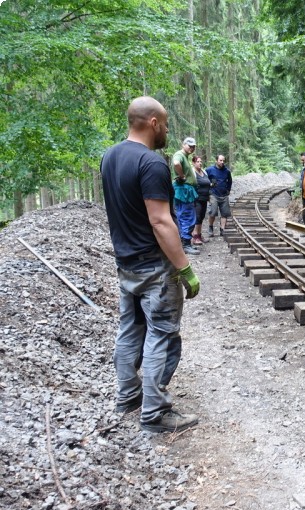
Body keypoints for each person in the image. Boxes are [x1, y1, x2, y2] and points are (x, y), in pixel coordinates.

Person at [100, 96, 200, 433]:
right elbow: (161, 222)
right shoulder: (152, 164)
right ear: (153, 122)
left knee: (130, 330)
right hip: (154, 267)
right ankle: (155, 413)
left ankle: (128, 396)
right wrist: (184, 269)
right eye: (166, 124)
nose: (168, 130)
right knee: (162, 335)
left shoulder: (109, 157)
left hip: (125, 262)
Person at [172, 137, 199, 255]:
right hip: (183, 191)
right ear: (183, 145)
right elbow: (176, 163)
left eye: (193, 146)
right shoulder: (179, 154)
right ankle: (185, 244)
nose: (192, 148)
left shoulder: (186, 157)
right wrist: (182, 175)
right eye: (190, 145)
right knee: (186, 216)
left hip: (186, 191)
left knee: (186, 215)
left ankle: (184, 243)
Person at [206, 154, 232, 236]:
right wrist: (208, 190)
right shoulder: (209, 170)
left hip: (224, 195)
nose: (222, 162)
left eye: (223, 160)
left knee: (224, 214)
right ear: (216, 160)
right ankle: (210, 228)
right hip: (213, 194)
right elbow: (204, 180)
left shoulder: (227, 171)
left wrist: (228, 190)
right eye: (220, 160)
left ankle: (222, 229)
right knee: (212, 212)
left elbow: (230, 181)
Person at [191, 155, 211, 246]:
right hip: (197, 199)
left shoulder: (204, 172)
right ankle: (195, 237)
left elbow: (207, 183)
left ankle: (199, 235)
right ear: (193, 163)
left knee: (202, 217)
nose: (200, 163)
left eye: (200, 161)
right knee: (197, 217)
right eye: (198, 162)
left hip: (205, 198)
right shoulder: (192, 172)